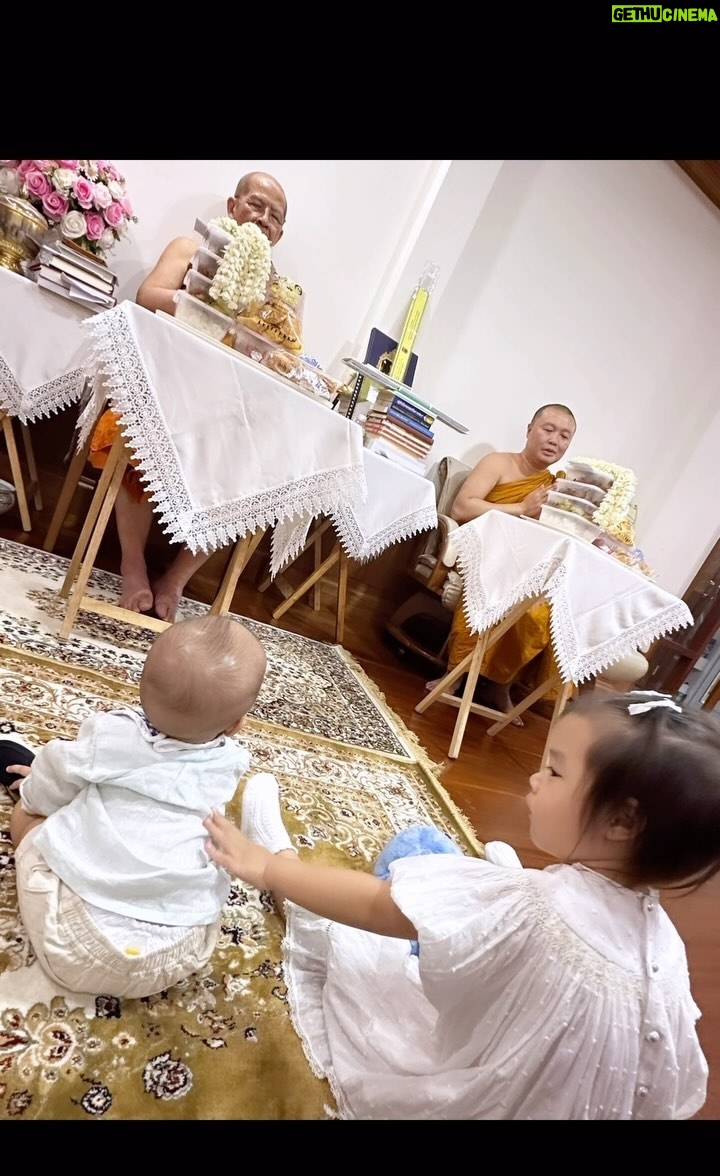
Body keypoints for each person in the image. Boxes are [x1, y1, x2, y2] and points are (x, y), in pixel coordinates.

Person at [203, 689, 718, 1120]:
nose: (535, 778)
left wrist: (267, 869)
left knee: (385, 896)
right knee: (459, 883)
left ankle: (282, 858)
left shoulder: (537, 906)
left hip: (470, 1097)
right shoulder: (668, 951)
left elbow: (381, 907)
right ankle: (491, 878)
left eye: (555, 772)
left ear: (621, 822)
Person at [0, 615, 267, 999]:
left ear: (140, 685)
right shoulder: (231, 763)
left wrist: (34, 790)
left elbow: (55, 776)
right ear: (236, 725)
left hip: (74, 941)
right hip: (178, 951)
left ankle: (21, 786)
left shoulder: (111, 734)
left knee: (30, 815)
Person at [88, 171, 289, 622]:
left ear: (278, 235)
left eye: (275, 216)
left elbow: (278, 356)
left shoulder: (276, 296)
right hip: (164, 390)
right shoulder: (190, 248)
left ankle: (175, 581)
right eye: (256, 205)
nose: (263, 219)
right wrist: (203, 308)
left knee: (254, 473)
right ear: (233, 206)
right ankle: (133, 566)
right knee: (136, 432)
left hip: (225, 410)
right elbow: (147, 296)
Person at [430, 403, 577, 724]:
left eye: (565, 436)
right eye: (548, 429)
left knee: (543, 610)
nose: (555, 440)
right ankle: (455, 675)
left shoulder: (558, 486)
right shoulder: (498, 463)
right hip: (484, 553)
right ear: (530, 430)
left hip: (527, 564)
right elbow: (462, 509)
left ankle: (501, 686)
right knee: (495, 587)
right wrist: (522, 507)